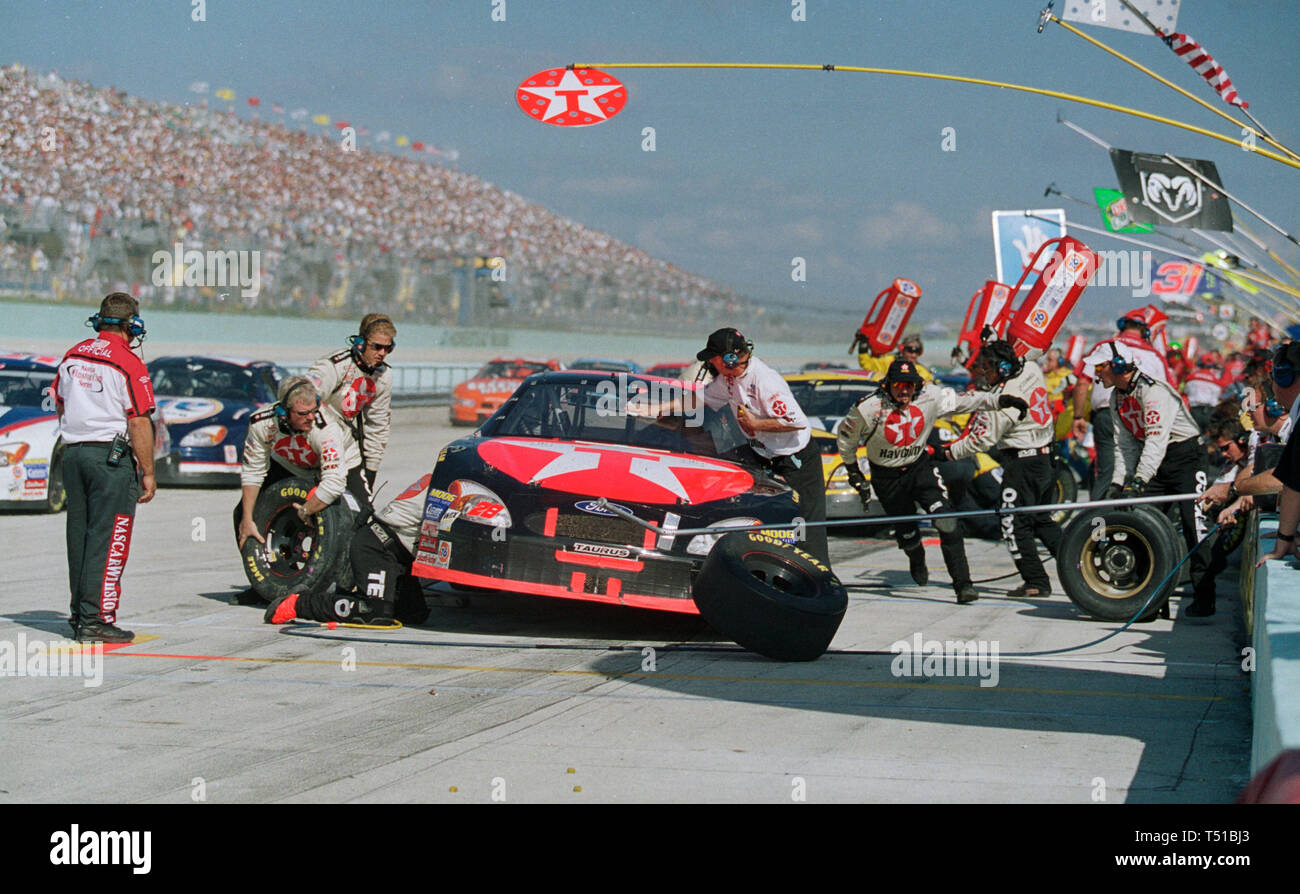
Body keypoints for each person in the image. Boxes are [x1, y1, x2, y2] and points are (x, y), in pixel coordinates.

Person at [836, 357, 1028, 603]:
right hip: (886, 477)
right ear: (887, 385)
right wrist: (854, 473)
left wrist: (1001, 401)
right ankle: (916, 558)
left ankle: (963, 585)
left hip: (919, 468)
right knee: (907, 534)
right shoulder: (867, 408)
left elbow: (967, 401)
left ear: (917, 385)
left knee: (947, 521)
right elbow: (846, 440)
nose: (904, 390)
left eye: (909, 385)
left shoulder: (931, 396)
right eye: (898, 385)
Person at [54, 292, 157, 642]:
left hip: (73, 453)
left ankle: (80, 615)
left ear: (98, 321)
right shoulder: (128, 362)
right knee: (109, 537)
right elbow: (139, 422)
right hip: (109, 460)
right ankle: (96, 618)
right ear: (133, 326)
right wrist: (148, 471)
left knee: (79, 538)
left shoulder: (72, 354)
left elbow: (60, 404)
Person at [1088, 340, 1213, 616]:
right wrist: (1119, 483)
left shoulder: (1155, 392)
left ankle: (1205, 596)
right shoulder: (1116, 398)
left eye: (1100, 367)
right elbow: (1125, 444)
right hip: (1155, 459)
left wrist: (1140, 481)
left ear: (1119, 366)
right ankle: (1153, 603)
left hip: (1185, 457)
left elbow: (1156, 440)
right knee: (1144, 527)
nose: (1096, 374)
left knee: (1194, 524)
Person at [696, 327, 829, 564]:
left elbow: (796, 421)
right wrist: (653, 409)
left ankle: (818, 580)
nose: (710, 364)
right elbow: (699, 398)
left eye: (713, 358)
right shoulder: (729, 379)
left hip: (795, 459)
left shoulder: (765, 380)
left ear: (730, 358)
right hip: (762, 455)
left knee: (807, 527)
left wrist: (756, 423)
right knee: (759, 514)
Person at [941, 340, 1063, 598]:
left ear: (1004, 367)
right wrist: (993, 337)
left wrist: (949, 452)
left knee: (1012, 522)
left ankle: (1036, 581)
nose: (983, 373)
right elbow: (1029, 346)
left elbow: (981, 440)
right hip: (1047, 458)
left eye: (987, 368)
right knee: (1041, 520)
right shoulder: (1031, 368)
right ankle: (1078, 566)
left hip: (1024, 464)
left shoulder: (1004, 399)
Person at [264, 474, 432, 627]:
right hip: (377, 547)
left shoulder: (444, 477)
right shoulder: (445, 486)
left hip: (399, 554)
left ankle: (336, 593)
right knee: (373, 613)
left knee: (413, 614)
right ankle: (298, 604)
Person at [235, 376, 368, 552]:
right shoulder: (262, 423)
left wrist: (305, 511)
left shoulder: (326, 428)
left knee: (364, 517)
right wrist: (247, 518)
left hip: (344, 464)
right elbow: (253, 471)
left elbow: (334, 483)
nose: (310, 417)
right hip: (291, 465)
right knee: (242, 513)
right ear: (284, 412)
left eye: (314, 410)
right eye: (303, 413)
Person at [1071, 313, 1171, 499]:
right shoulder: (1155, 355)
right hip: (1143, 417)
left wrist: (1078, 417)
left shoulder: (1103, 347)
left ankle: (1096, 520)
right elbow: (1168, 393)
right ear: (1144, 331)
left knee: (1107, 472)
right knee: (1143, 473)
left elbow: (1082, 383)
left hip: (1106, 415)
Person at [308, 313, 395, 489]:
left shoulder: (384, 376)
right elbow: (305, 401)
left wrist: (370, 472)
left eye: (388, 348)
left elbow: (378, 426)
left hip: (346, 447)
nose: (382, 354)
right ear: (360, 344)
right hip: (314, 439)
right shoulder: (334, 365)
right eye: (377, 347)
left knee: (361, 507)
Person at [858, 332, 935, 382]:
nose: (913, 354)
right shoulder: (888, 361)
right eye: (910, 350)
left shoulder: (923, 372)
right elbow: (868, 365)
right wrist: (863, 348)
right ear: (902, 349)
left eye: (917, 351)